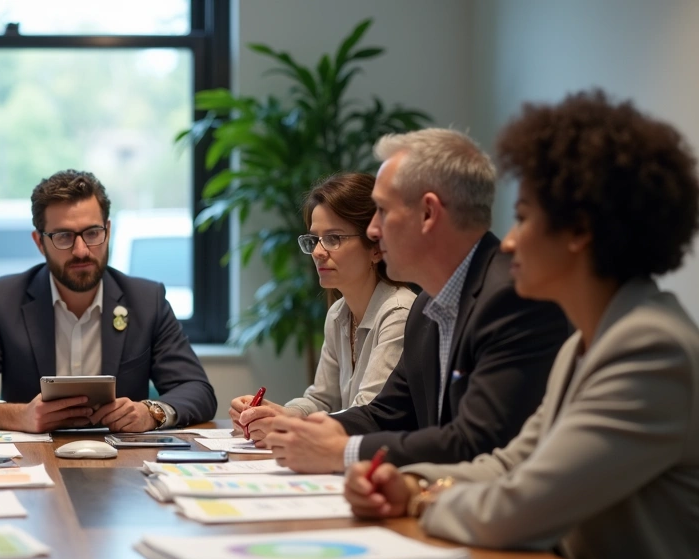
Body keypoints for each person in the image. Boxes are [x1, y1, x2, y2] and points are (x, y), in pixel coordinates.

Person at [345, 91, 699, 559]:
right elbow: (511, 463)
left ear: (579, 231)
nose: (508, 243)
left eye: (525, 217)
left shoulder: (650, 348)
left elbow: (522, 505)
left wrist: (418, 500)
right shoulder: (588, 342)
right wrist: (411, 479)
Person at [239, 128, 570, 472]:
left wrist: (344, 451)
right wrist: (303, 429)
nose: (372, 230)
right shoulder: (427, 307)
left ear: (428, 214)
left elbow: (476, 440)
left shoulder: (512, 299)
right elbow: (387, 411)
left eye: (381, 210)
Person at [0, 169, 216, 432]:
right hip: (34, 463)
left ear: (108, 231)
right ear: (39, 242)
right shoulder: (3, 300)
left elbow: (198, 391)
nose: (81, 250)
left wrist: (151, 413)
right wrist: (19, 416)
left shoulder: (146, 300)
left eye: (92, 233)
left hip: (124, 466)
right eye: (64, 237)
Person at [229, 173, 415, 432]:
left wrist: (287, 424)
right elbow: (321, 400)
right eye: (315, 239)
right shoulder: (339, 312)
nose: (317, 251)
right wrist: (275, 413)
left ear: (376, 247)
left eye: (333, 238)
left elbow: (368, 413)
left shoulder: (398, 313)